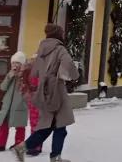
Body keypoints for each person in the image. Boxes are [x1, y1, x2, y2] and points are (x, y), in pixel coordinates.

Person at [14, 24, 79, 162]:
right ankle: (55, 157)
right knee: (60, 125)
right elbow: (69, 66)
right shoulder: (60, 49)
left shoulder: (41, 49)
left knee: (49, 126)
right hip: (57, 92)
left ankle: (23, 147)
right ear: (59, 34)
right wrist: (74, 74)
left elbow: (35, 73)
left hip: (44, 92)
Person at [0, 52, 29, 152]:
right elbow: (2, 87)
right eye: (13, 63)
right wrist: (10, 76)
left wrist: (22, 76)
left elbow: (28, 89)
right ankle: (0, 144)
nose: (15, 65)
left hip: (20, 105)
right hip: (7, 105)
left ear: (22, 64)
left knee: (20, 126)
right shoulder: (10, 75)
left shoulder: (26, 75)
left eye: (17, 63)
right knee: (3, 125)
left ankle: (18, 144)